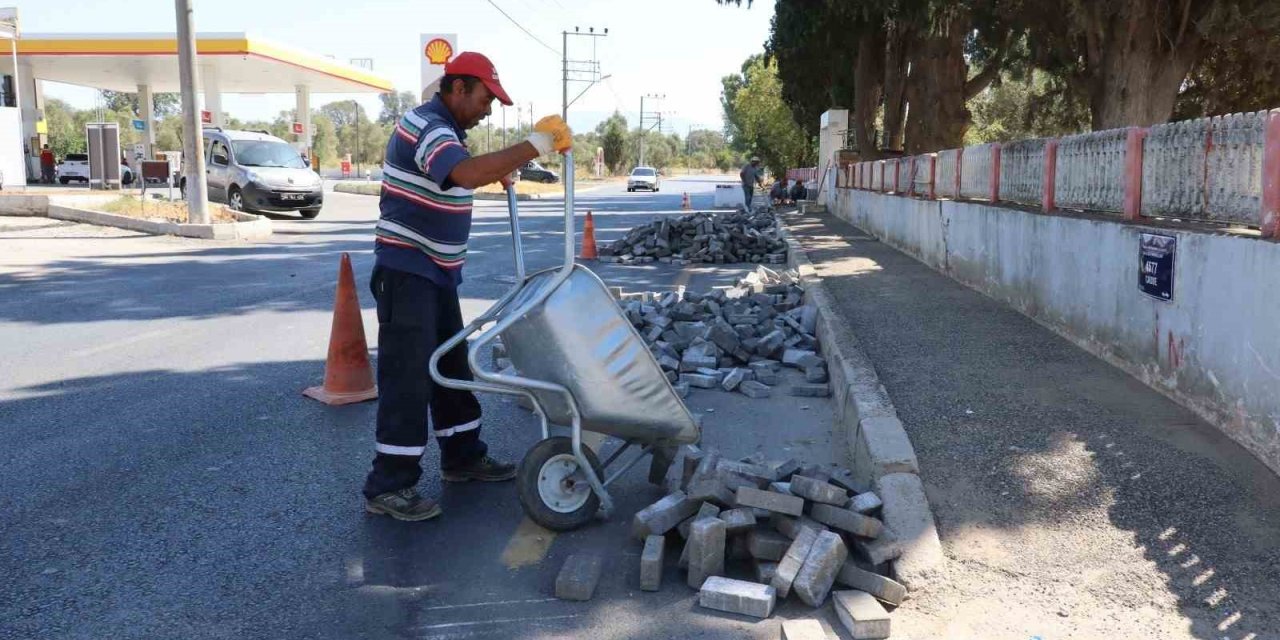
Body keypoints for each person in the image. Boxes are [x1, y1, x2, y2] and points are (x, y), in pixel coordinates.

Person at [363, 51, 573, 522]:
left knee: (450, 365)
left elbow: (461, 171)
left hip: (433, 272)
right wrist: (534, 143)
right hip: (407, 269)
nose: (488, 109)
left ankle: (463, 457)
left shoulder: (448, 132)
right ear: (458, 88)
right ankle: (389, 485)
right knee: (408, 376)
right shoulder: (427, 125)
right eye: (485, 98)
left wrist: (493, 167)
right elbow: (463, 173)